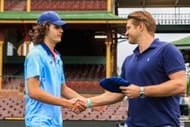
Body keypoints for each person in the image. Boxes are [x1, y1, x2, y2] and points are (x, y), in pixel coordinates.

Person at [83, 10, 187, 127]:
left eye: (129, 28)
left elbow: (180, 85)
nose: (126, 33)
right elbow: (119, 94)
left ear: (141, 26)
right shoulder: (129, 60)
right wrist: (88, 102)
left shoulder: (167, 50)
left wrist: (142, 91)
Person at [24, 11, 86, 127]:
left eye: (61, 28)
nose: (61, 30)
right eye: (56, 27)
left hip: (55, 121)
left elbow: (63, 89)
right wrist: (67, 103)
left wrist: (88, 102)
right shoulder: (35, 55)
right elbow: (33, 92)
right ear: (45, 28)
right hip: (39, 121)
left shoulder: (57, 56)